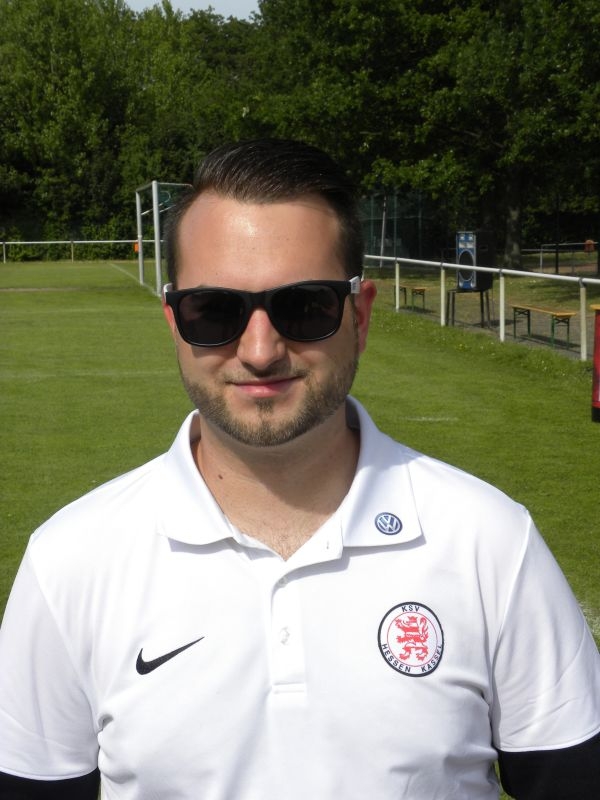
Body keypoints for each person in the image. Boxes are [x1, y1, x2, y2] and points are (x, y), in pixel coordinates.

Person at [0, 139, 598, 800]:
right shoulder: (70, 564)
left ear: (360, 316)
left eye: (305, 306)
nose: (260, 350)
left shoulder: (490, 542)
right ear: (174, 322)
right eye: (214, 311)